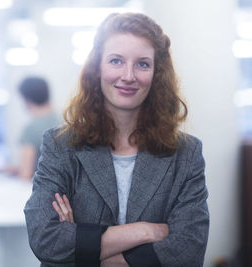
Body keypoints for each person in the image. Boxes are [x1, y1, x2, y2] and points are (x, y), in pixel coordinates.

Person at [24, 12, 209, 267]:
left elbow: (188, 250)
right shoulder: (60, 146)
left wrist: (80, 250)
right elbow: (46, 240)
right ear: (97, 68)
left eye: (142, 64)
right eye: (116, 61)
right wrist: (146, 232)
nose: (129, 75)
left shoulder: (185, 153)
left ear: (157, 74)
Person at [9, 76, 60, 180]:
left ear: (26, 100)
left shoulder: (31, 129)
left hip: (44, 191)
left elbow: (26, 174)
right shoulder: (65, 121)